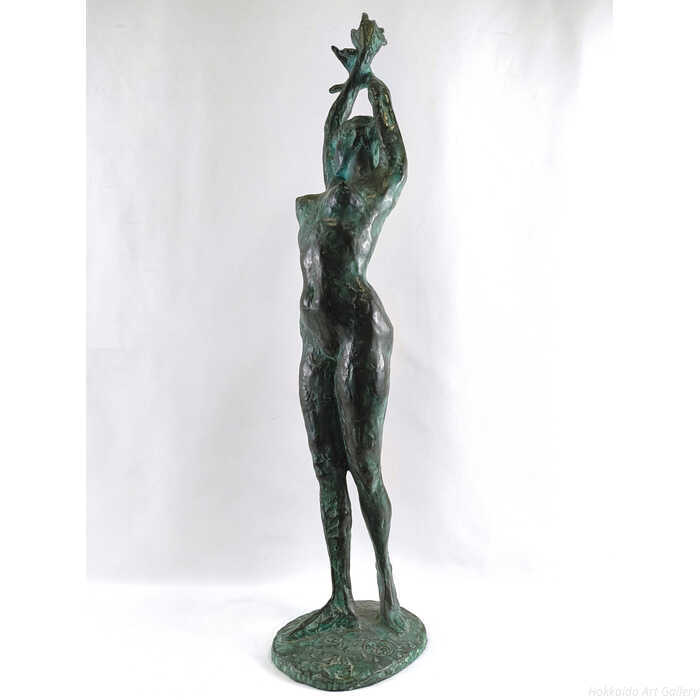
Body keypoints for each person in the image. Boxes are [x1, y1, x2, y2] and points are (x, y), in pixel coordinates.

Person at [292, 14, 408, 638]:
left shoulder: (372, 195)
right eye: (347, 137)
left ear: (370, 154)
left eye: (360, 140)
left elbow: (399, 159)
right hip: (315, 341)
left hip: (361, 333)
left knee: (365, 468)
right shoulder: (320, 199)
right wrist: (354, 83)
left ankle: (386, 584)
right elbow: (329, 127)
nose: (347, 143)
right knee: (325, 468)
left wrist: (374, 88)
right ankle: (340, 595)